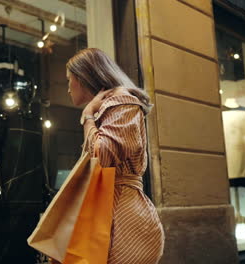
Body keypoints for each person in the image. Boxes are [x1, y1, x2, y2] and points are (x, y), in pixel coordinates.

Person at [64, 48, 165, 263]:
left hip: (122, 216)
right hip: (110, 208)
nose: (68, 88)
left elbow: (102, 155)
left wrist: (88, 117)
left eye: (69, 80)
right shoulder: (111, 107)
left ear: (82, 78)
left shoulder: (122, 103)